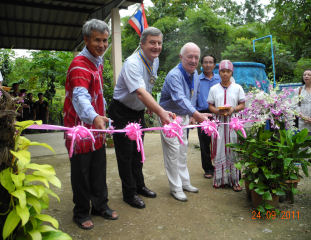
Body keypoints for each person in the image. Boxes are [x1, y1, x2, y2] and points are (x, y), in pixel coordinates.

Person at [108, 27, 173, 209]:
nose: (156, 46)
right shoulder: (132, 63)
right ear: (142, 43)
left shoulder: (155, 60)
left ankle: (139, 185)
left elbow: (148, 86)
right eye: (152, 42)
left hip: (137, 112)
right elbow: (139, 91)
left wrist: (149, 107)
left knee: (138, 152)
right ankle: (129, 194)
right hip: (121, 111)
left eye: (159, 43)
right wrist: (160, 111)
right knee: (126, 155)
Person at [63, 19, 118, 230]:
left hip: (96, 129)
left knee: (98, 169)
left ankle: (100, 206)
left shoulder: (97, 61)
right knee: (81, 173)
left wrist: (102, 115)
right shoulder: (79, 65)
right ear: (86, 39)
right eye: (97, 40)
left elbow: (97, 94)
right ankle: (80, 212)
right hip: (79, 130)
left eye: (105, 40)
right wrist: (94, 117)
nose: (102, 45)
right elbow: (80, 98)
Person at [159, 42, 209, 202]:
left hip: (184, 116)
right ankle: (176, 188)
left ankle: (185, 182)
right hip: (169, 118)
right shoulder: (174, 75)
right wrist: (196, 114)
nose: (193, 60)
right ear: (181, 57)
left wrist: (192, 114)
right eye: (190, 57)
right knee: (173, 153)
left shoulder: (195, 74)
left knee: (182, 150)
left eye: (196, 57)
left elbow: (192, 95)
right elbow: (180, 98)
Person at [207, 60, 245, 192]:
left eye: (228, 71)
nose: (225, 74)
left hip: (233, 122)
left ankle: (235, 181)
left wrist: (233, 109)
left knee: (233, 149)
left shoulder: (238, 88)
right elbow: (210, 105)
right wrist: (217, 111)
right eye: (222, 71)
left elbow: (242, 104)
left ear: (231, 72)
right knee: (219, 149)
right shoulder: (213, 89)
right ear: (219, 72)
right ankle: (220, 180)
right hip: (219, 123)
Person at [196, 54, 221, 179]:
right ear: (202, 64)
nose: (208, 65)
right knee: (204, 143)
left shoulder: (219, 79)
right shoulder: (196, 79)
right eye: (205, 62)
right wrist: (194, 114)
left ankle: (220, 166)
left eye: (211, 62)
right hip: (201, 114)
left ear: (214, 65)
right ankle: (208, 168)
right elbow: (192, 96)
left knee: (219, 141)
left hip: (218, 113)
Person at [297, 69, 311, 134]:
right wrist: (303, 117)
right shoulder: (299, 90)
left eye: (309, 75)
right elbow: (296, 105)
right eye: (304, 75)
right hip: (303, 122)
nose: (306, 76)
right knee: (304, 142)